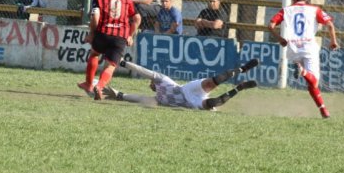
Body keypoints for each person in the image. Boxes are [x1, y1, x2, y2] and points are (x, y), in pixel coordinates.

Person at [268, 0, 339, 119]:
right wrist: (333, 41)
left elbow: (270, 26)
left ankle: (323, 110)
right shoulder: (315, 10)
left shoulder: (286, 10)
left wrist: (280, 39)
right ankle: (303, 71)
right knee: (314, 81)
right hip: (308, 48)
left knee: (310, 84)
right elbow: (329, 24)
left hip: (293, 48)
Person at [101, 59, 260, 111]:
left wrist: (123, 63)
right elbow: (140, 98)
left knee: (213, 81)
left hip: (187, 89)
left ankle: (243, 68)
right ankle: (241, 87)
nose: (151, 84)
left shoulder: (164, 81)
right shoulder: (159, 100)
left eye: (152, 83)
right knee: (214, 103)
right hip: (191, 102)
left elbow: (144, 71)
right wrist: (120, 95)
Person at [78, 0, 141, 100]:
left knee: (94, 54)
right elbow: (137, 18)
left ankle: (89, 83)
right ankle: (100, 86)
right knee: (110, 66)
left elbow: (95, 17)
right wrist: (130, 35)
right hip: (120, 37)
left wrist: (91, 33)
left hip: (103, 33)